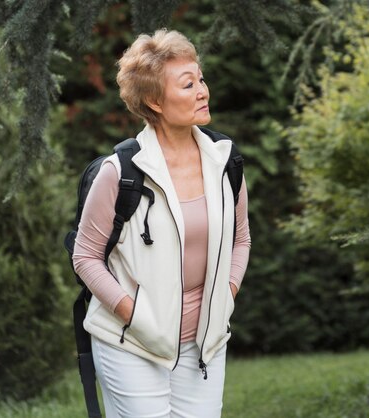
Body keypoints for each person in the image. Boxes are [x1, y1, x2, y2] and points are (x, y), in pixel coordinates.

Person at [72, 28, 251, 418]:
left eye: (201, 79)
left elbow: (241, 239)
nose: (203, 90)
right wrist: (132, 314)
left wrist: (227, 295)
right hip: (131, 344)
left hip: (203, 344)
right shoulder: (120, 171)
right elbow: (85, 256)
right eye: (188, 84)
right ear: (154, 100)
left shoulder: (226, 162)